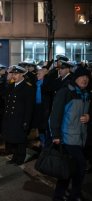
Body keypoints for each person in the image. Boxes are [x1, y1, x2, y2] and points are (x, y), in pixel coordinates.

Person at [50, 66, 91, 201]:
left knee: (68, 168)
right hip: (67, 137)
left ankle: (59, 195)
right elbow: (55, 115)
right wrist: (56, 135)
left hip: (81, 138)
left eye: (87, 77)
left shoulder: (86, 94)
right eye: (82, 76)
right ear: (75, 78)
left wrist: (89, 117)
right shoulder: (65, 92)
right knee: (80, 166)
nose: (85, 79)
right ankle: (75, 195)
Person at [2, 65, 35, 165]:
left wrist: (26, 121)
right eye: (13, 74)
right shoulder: (11, 85)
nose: (13, 76)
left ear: (22, 75)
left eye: (16, 74)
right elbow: (4, 97)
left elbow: (29, 107)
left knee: (20, 140)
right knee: (13, 139)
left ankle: (20, 158)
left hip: (20, 118)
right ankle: (14, 157)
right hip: (11, 118)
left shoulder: (27, 87)